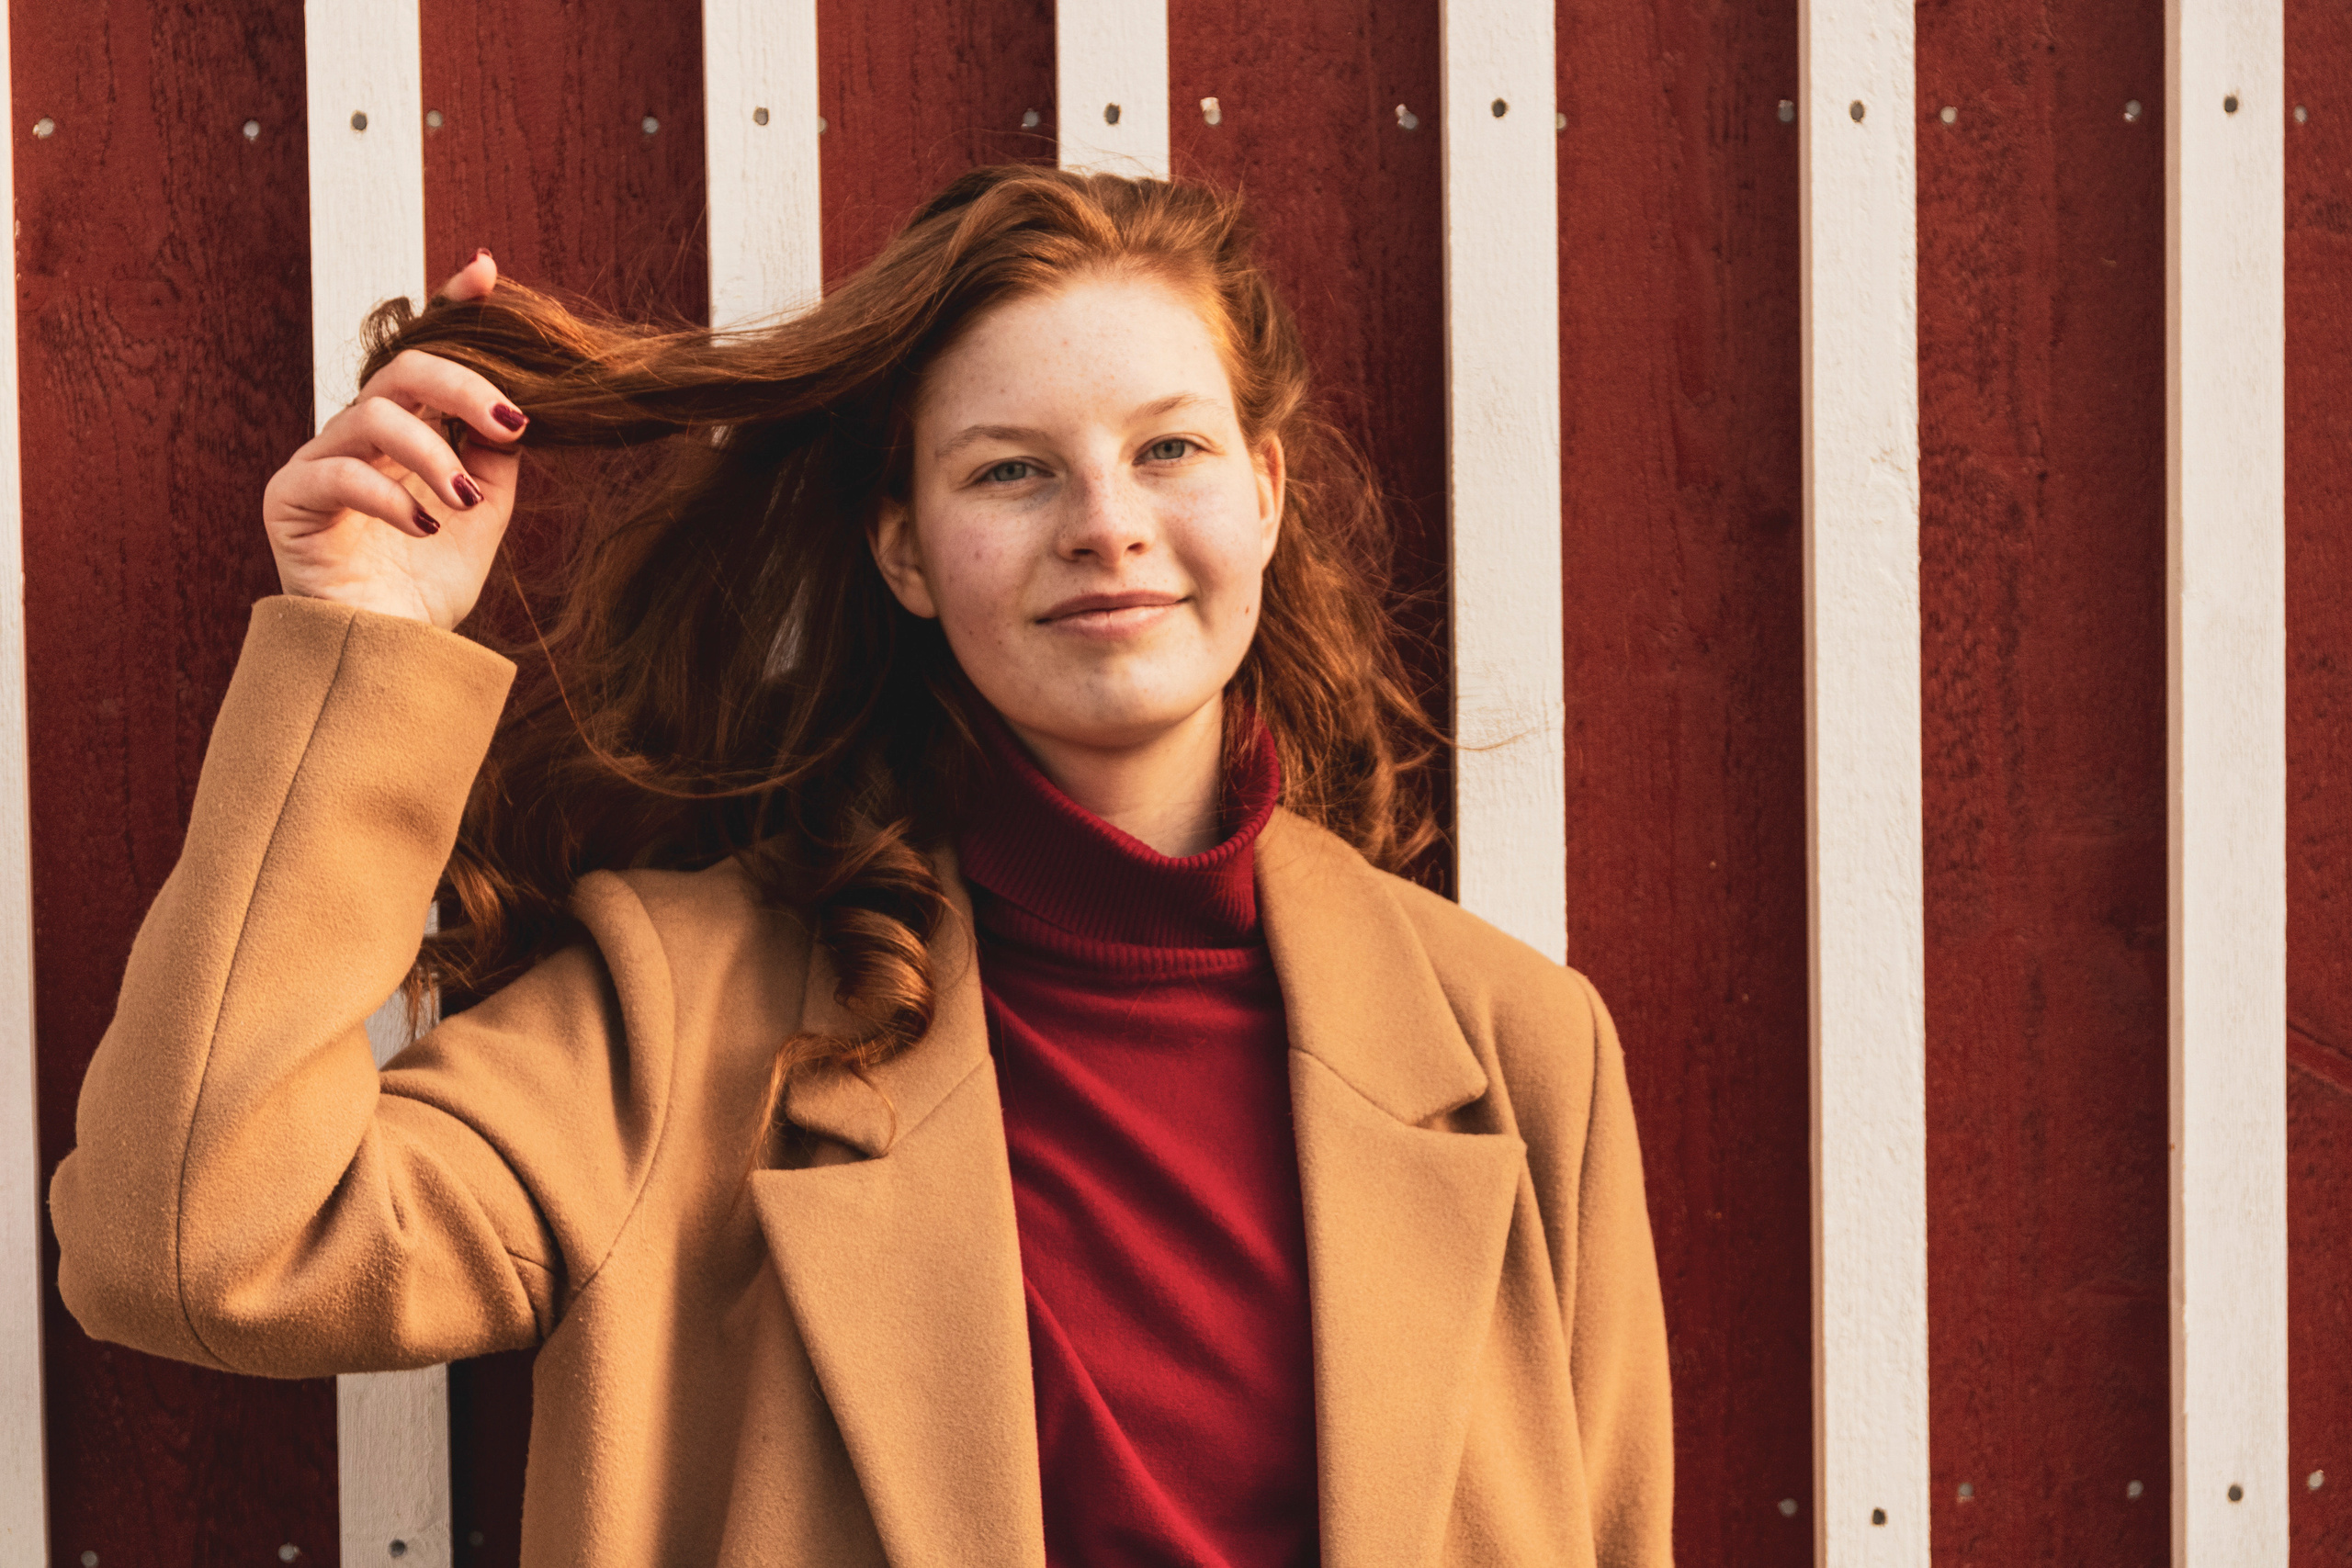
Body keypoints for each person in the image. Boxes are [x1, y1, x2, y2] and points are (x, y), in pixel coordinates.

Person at [49, 166, 1671, 1567]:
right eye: (1011, 469)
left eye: (1168, 450)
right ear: (903, 548)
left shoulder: (1520, 1056)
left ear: (1265, 489)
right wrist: (363, 641)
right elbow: (193, 1246)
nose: (1104, 523)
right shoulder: (681, 1019)